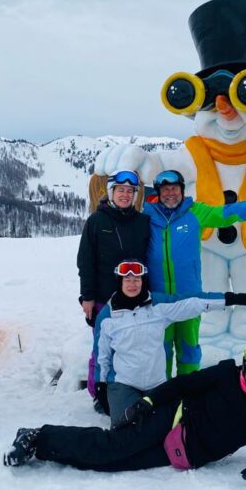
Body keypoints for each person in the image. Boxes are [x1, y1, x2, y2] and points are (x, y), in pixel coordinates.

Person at [3, 338, 246, 490]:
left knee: (112, 464)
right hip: (172, 417)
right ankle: (37, 438)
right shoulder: (226, 374)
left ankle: (46, 448)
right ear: (244, 366)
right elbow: (182, 384)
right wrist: (149, 402)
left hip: (184, 452)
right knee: (111, 447)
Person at [144, 169, 246, 377]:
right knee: (160, 352)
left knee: (189, 351)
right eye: (165, 190)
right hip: (158, 301)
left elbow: (229, 212)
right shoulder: (147, 215)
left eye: (174, 189)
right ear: (158, 193)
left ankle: (189, 392)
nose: (170, 194)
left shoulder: (195, 212)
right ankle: (162, 392)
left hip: (189, 298)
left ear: (182, 190)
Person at [94, 259, 246, 426]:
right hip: (124, 384)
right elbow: (102, 356)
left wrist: (228, 298)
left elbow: (193, 302)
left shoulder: (158, 305)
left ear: (143, 281)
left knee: (166, 428)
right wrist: (100, 385)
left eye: (137, 279)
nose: (132, 284)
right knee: (124, 428)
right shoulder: (107, 316)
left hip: (157, 384)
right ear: (120, 282)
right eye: (127, 280)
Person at [77, 170, 150, 414]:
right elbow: (85, 261)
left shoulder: (142, 222)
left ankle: (126, 389)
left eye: (130, 191)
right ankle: (99, 392)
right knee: (102, 349)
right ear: (111, 192)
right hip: (103, 297)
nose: (125, 195)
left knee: (130, 346)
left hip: (135, 296)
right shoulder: (97, 221)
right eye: (121, 190)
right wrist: (87, 297)